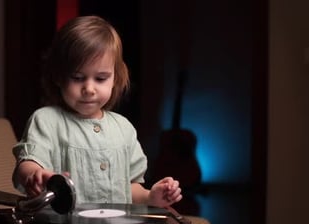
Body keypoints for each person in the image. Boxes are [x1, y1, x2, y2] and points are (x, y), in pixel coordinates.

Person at [12, 15, 182, 208]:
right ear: (59, 76)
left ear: (115, 79)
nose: (89, 89)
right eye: (77, 77)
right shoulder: (46, 120)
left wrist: (151, 196)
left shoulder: (124, 128)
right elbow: (27, 163)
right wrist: (35, 175)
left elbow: (130, 187)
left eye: (101, 78)